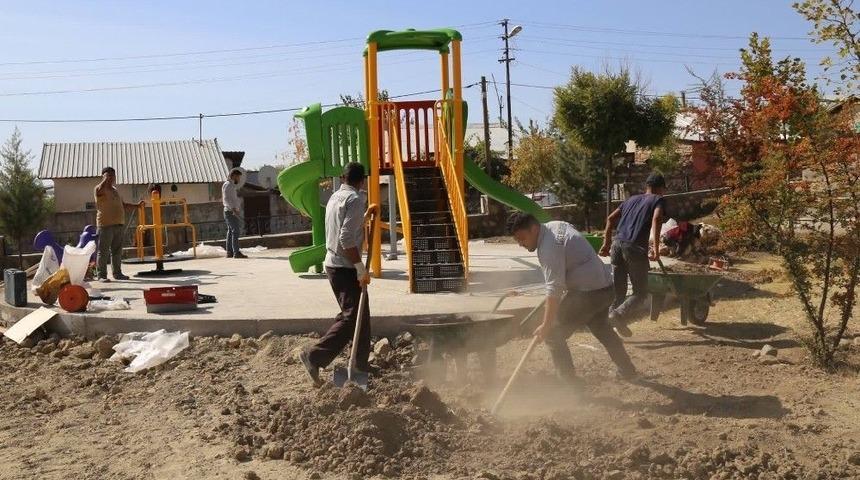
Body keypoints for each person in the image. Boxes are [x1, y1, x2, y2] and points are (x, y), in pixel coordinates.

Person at [507, 212, 638, 384]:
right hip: (606, 286)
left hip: (589, 293)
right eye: (517, 240)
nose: (521, 244)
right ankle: (627, 370)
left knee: (553, 334)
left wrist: (546, 325)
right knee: (601, 327)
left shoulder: (548, 248)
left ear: (533, 229)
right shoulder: (555, 225)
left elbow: (554, 288)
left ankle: (569, 385)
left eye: (522, 238)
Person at [299, 162, 377, 384]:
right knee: (353, 315)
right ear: (361, 180)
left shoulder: (335, 197)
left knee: (359, 312)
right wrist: (360, 267)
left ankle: (361, 363)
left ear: (343, 178)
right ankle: (314, 356)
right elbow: (346, 237)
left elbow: (344, 227)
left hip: (333, 262)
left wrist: (366, 216)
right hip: (345, 266)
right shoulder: (355, 200)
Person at [599, 172, 667, 335]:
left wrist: (606, 243)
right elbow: (657, 219)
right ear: (660, 189)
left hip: (616, 245)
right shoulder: (658, 200)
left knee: (619, 291)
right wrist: (656, 250)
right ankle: (617, 315)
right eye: (664, 190)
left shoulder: (630, 200)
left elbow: (610, 219)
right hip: (634, 248)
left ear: (647, 186)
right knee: (640, 293)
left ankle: (610, 324)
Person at [94, 166, 144, 281]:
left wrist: (137, 206)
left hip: (118, 224)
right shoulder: (99, 189)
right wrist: (105, 180)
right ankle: (101, 275)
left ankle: (117, 273)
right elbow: (99, 191)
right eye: (108, 175)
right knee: (103, 252)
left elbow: (123, 205)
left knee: (117, 251)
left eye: (112, 175)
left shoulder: (115, 190)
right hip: (105, 225)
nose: (111, 178)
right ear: (103, 177)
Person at [222, 168, 247, 259]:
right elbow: (227, 199)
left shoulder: (229, 185)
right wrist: (233, 209)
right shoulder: (228, 185)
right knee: (235, 231)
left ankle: (229, 252)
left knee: (231, 232)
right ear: (234, 176)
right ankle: (236, 252)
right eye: (238, 177)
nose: (239, 179)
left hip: (230, 211)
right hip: (230, 211)